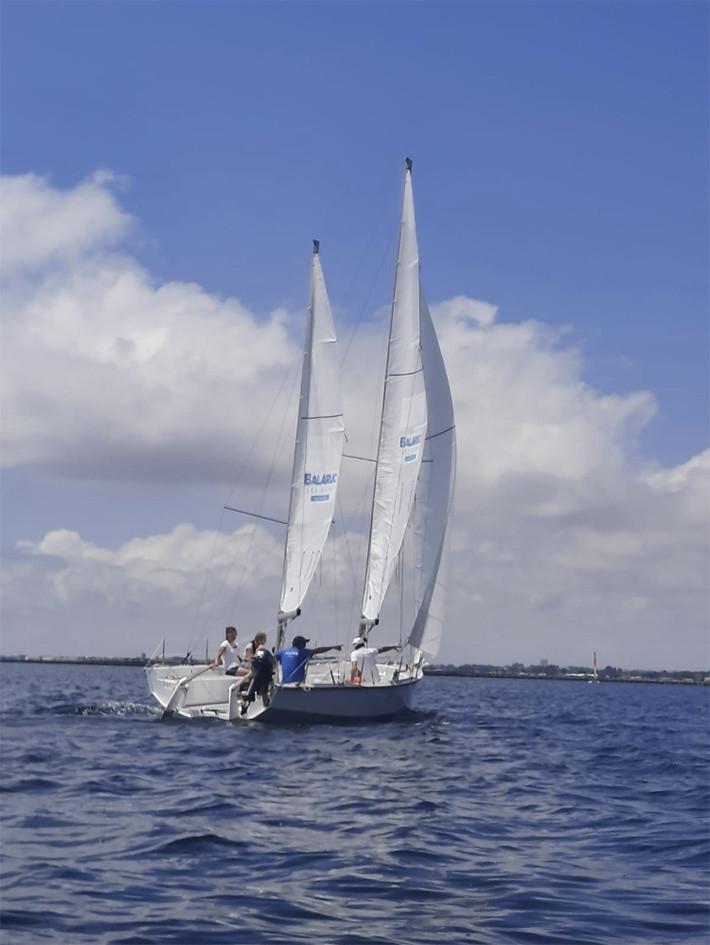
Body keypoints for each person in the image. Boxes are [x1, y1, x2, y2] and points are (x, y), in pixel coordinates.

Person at [275, 635, 342, 685]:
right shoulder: (302, 651)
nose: (305, 645)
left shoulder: (282, 652)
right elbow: (318, 650)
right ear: (300, 644)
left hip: (283, 685)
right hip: (297, 685)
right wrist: (333, 647)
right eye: (304, 643)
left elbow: (272, 660)